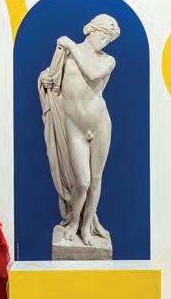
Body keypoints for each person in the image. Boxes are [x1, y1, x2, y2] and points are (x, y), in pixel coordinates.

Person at [38, 14, 120, 246]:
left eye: (109, 38)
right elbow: (52, 78)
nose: (105, 40)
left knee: (95, 179)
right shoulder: (66, 55)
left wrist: (72, 45)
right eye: (103, 34)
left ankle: (86, 227)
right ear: (91, 29)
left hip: (100, 124)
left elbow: (92, 73)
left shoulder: (108, 60)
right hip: (75, 127)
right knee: (82, 181)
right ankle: (74, 222)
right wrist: (44, 79)